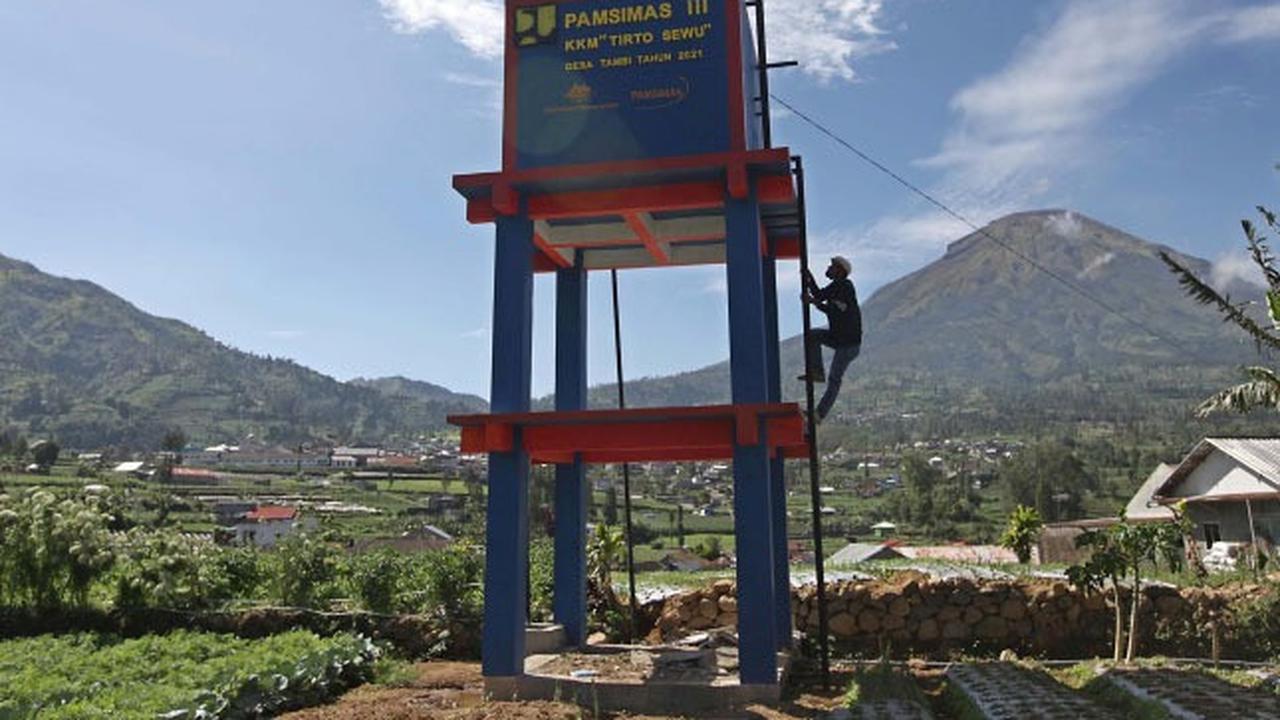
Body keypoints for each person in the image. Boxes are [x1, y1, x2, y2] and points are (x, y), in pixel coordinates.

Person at [799, 255, 862, 422]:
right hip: (840, 339)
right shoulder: (839, 287)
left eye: (832, 266)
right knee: (812, 336)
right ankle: (817, 372)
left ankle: (819, 413)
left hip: (848, 344)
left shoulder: (843, 286)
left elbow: (820, 296)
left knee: (835, 379)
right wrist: (813, 298)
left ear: (839, 271)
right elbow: (828, 307)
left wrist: (809, 279)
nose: (829, 268)